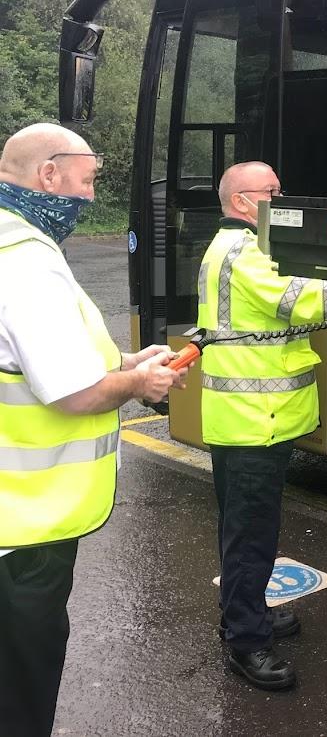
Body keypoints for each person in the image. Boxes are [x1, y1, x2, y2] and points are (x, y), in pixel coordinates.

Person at [0, 123, 189, 737]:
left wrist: (128, 363)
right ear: (47, 175)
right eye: (85, 183)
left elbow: (29, 361)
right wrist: (139, 385)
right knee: (21, 689)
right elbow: (73, 391)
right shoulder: (26, 262)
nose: (87, 198)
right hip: (24, 532)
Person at [198, 161, 327, 691]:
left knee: (246, 531)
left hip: (253, 421)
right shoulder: (243, 251)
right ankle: (247, 643)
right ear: (242, 203)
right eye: (272, 192)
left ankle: (244, 611)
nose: (282, 197)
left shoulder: (240, 246)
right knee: (251, 536)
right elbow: (302, 301)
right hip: (253, 423)